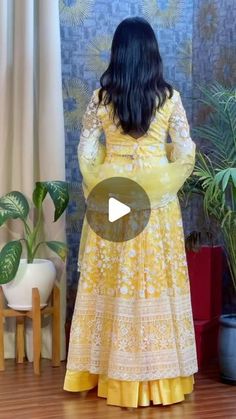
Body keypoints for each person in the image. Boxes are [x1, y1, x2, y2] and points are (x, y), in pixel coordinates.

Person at [63, 16, 198, 409]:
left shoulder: (101, 99)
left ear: (117, 54)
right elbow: (186, 152)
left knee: (114, 283)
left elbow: (86, 154)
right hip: (157, 204)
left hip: (114, 200)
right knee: (153, 282)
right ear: (153, 54)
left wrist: (105, 178)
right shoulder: (169, 98)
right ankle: (160, 379)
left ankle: (109, 373)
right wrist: (161, 175)